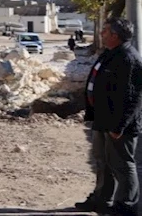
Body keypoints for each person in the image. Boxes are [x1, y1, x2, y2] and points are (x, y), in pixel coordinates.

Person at [75, 17, 142, 215]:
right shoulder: (110, 54)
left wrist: (119, 126)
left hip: (118, 125)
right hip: (102, 119)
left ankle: (126, 206)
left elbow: (134, 98)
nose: (101, 34)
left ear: (116, 35)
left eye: (105, 31)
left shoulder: (128, 58)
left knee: (122, 164)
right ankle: (102, 200)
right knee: (102, 161)